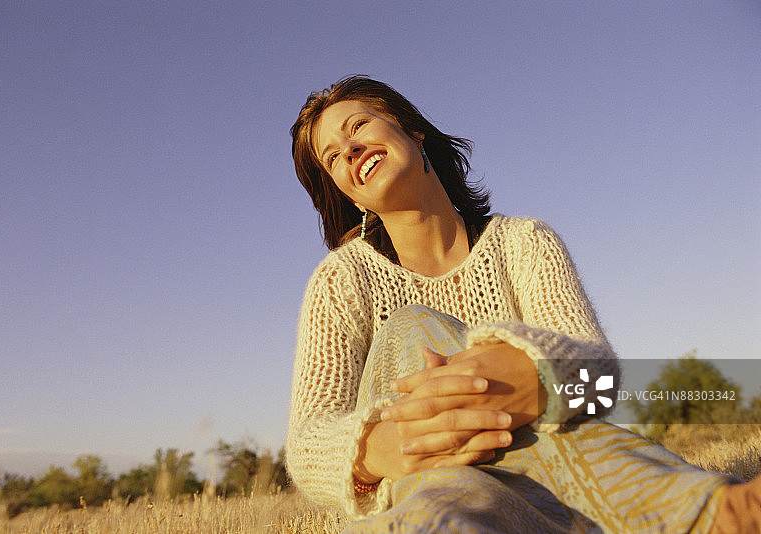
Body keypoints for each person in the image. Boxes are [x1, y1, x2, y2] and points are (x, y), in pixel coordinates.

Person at [286, 75, 759, 533]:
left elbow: (599, 383)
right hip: (408, 477)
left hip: (533, 467)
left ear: (414, 131)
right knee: (412, 330)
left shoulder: (524, 243)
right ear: (347, 192)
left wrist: (530, 378)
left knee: (507, 448)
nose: (348, 151)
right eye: (332, 157)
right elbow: (308, 441)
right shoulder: (342, 281)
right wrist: (381, 446)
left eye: (358, 127)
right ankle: (709, 513)